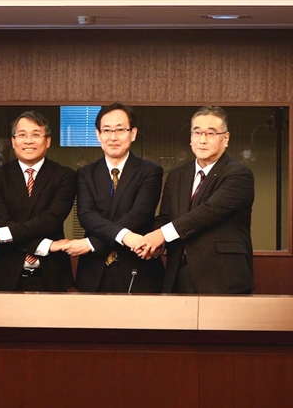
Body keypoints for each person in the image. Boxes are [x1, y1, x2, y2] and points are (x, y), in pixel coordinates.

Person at [139, 106, 255, 294]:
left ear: (226, 138)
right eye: (197, 132)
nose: (202, 140)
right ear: (191, 137)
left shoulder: (238, 174)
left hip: (222, 276)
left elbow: (208, 212)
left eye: (211, 133)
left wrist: (161, 234)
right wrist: (156, 245)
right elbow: (165, 217)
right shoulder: (177, 175)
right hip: (178, 274)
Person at [0, 111, 77, 292]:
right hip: (5, 274)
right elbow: (0, 222)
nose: (28, 141)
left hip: (53, 274)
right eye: (22, 135)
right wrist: (47, 245)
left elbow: (50, 220)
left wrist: (0, 235)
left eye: (36, 135)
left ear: (48, 141)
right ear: (13, 141)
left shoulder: (65, 176)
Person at [69, 103, 165, 293]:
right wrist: (126, 237)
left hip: (138, 268)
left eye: (120, 130)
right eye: (106, 130)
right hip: (94, 271)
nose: (113, 137)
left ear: (133, 133)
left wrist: (93, 243)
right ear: (98, 135)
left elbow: (140, 215)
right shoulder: (85, 173)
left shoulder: (150, 171)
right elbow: (86, 216)